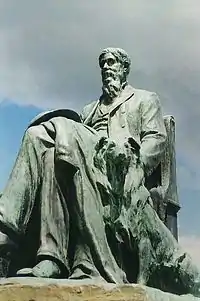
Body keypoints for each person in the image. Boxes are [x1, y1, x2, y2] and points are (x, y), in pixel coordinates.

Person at [0, 48, 167, 282]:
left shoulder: (145, 99)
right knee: (50, 157)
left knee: (47, 131)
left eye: (111, 63)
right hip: (86, 161)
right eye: (103, 65)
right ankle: (52, 257)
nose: (106, 68)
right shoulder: (89, 110)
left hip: (117, 169)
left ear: (124, 68)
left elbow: (156, 140)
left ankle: (5, 231)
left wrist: (132, 165)